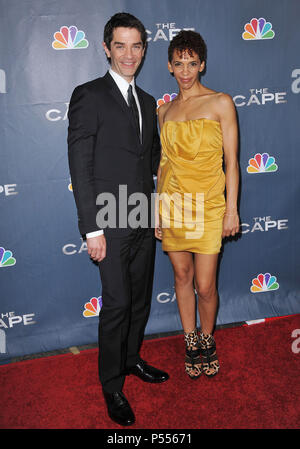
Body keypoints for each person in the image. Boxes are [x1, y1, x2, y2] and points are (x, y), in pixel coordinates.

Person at [68, 12, 168, 427]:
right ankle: (111, 384)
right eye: (121, 45)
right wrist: (92, 227)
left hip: (142, 215)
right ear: (107, 48)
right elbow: (80, 164)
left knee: (141, 299)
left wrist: (157, 211)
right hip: (108, 219)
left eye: (137, 45)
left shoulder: (148, 101)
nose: (130, 54)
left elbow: (152, 163)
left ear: (145, 49)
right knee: (118, 303)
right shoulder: (88, 94)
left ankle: (130, 361)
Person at [156, 30, 239, 379]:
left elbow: (232, 162)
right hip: (174, 202)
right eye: (179, 63)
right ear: (169, 67)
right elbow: (162, 165)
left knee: (205, 285)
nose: (186, 71)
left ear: (202, 64)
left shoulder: (221, 103)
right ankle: (190, 339)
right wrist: (156, 210)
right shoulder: (163, 111)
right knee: (181, 275)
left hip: (209, 206)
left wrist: (231, 209)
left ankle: (208, 337)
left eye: (192, 63)